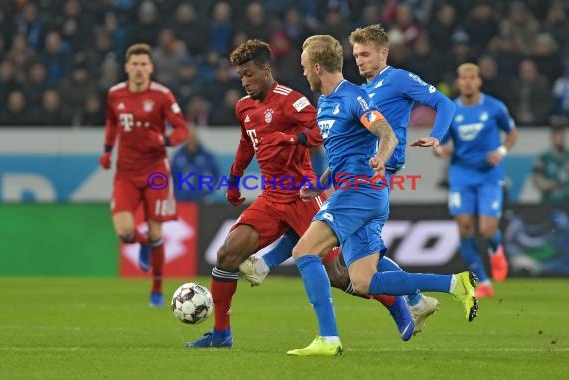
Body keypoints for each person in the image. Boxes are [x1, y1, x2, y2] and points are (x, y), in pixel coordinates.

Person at [241, 24, 457, 335]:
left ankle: (267, 267)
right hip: (357, 175)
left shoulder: (397, 79)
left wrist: (436, 136)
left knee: (321, 234)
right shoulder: (356, 92)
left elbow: (443, 104)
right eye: (356, 55)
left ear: (384, 52)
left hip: (375, 173)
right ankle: (417, 299)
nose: (360, 60)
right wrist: (322, 180)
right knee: (361, 258)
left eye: (366, 54)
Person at [287, 34, 478, 357]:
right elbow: (341, 154)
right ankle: (455, 284)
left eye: (305, 67)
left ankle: (328, 338)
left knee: (304, 251)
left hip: (360, 191)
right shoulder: (325, 102)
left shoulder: (353, 97)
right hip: (357, 190)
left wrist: (382, 158)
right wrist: (321, 184)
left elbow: (385, 132)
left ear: (317, 68)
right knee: (364, 282)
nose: (303, 73)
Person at [185, 39, 328, 348]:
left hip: (302, 194)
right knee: (228, 255)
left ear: (266, 70)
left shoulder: (291, 100)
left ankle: (398, 304)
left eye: (249, 74)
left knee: (342, 276)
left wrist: (293, 139)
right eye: (241, 76)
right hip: (271, 198)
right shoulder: (244, 107)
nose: (245, 81)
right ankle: (222, 334)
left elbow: (321, 131)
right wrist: (234, 179)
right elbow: (246, 144)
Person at [98, 43, 188, 307]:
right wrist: (106, 150)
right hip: (125, 172)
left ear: (151, 67)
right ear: (127, 67)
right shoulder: (115, 94)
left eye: (143, 64)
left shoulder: (162, 95)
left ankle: (157, 289)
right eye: (134, 64)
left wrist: (164, 140)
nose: (138, 69)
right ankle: (144, 245)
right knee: (125, 231)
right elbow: (112, 123)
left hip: (155, 171)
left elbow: (181, 130)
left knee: (155, 231)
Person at [434, 63, 518, 298]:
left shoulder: (494, 107)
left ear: (479, 81)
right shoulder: (451, 111)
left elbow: (512, 133)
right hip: (461, 175)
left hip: (489, 175)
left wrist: (500, 152)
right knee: (465, 227)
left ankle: (496, 249)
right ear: (459, 82)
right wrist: (439, 150)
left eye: (473, 77)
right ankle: (483, 281)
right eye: (464, 78)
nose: (468, 82)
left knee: (488, 229)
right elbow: (439, 142)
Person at [171, 128, 221, 203]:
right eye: (189, 138)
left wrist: (208, 192)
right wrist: (175, 193)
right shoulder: (177, 156)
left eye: (193, 138)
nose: (191, 141)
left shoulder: (207, 157)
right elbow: (171, 177)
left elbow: (216, 175)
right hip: (181, 201)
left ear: (197, 139)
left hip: (200, 201)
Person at [532, 126, 569, 204]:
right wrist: (550, 185)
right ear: (553, 137)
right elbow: (536, 180)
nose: (559, 138)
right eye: (557, 135)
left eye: (562, 135)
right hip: (549, 202)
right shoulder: (544, 158)